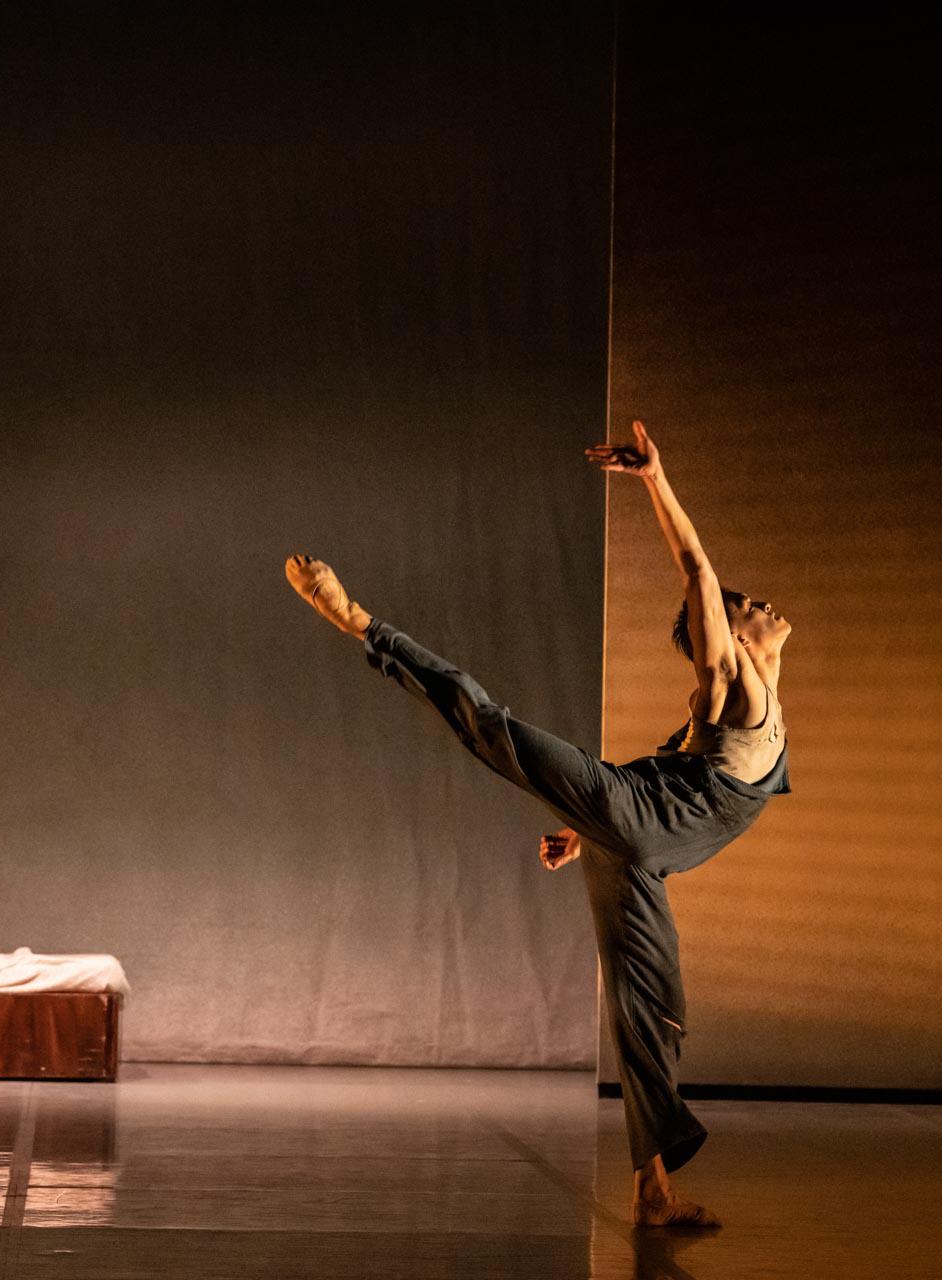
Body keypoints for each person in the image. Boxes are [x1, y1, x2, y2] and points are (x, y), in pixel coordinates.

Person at [285, 420, 792, 1228]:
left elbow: (673, 782)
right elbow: (696, 565)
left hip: (636, 848)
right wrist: (655, 479)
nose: (762, 602)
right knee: (490, 723)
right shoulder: (728, 680)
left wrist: (588, 831)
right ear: (725, 633)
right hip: (635, 824)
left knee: (652, 1014)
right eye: (746, 603)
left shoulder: (727, 720)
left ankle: (653, 1191)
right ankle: (361, 623)